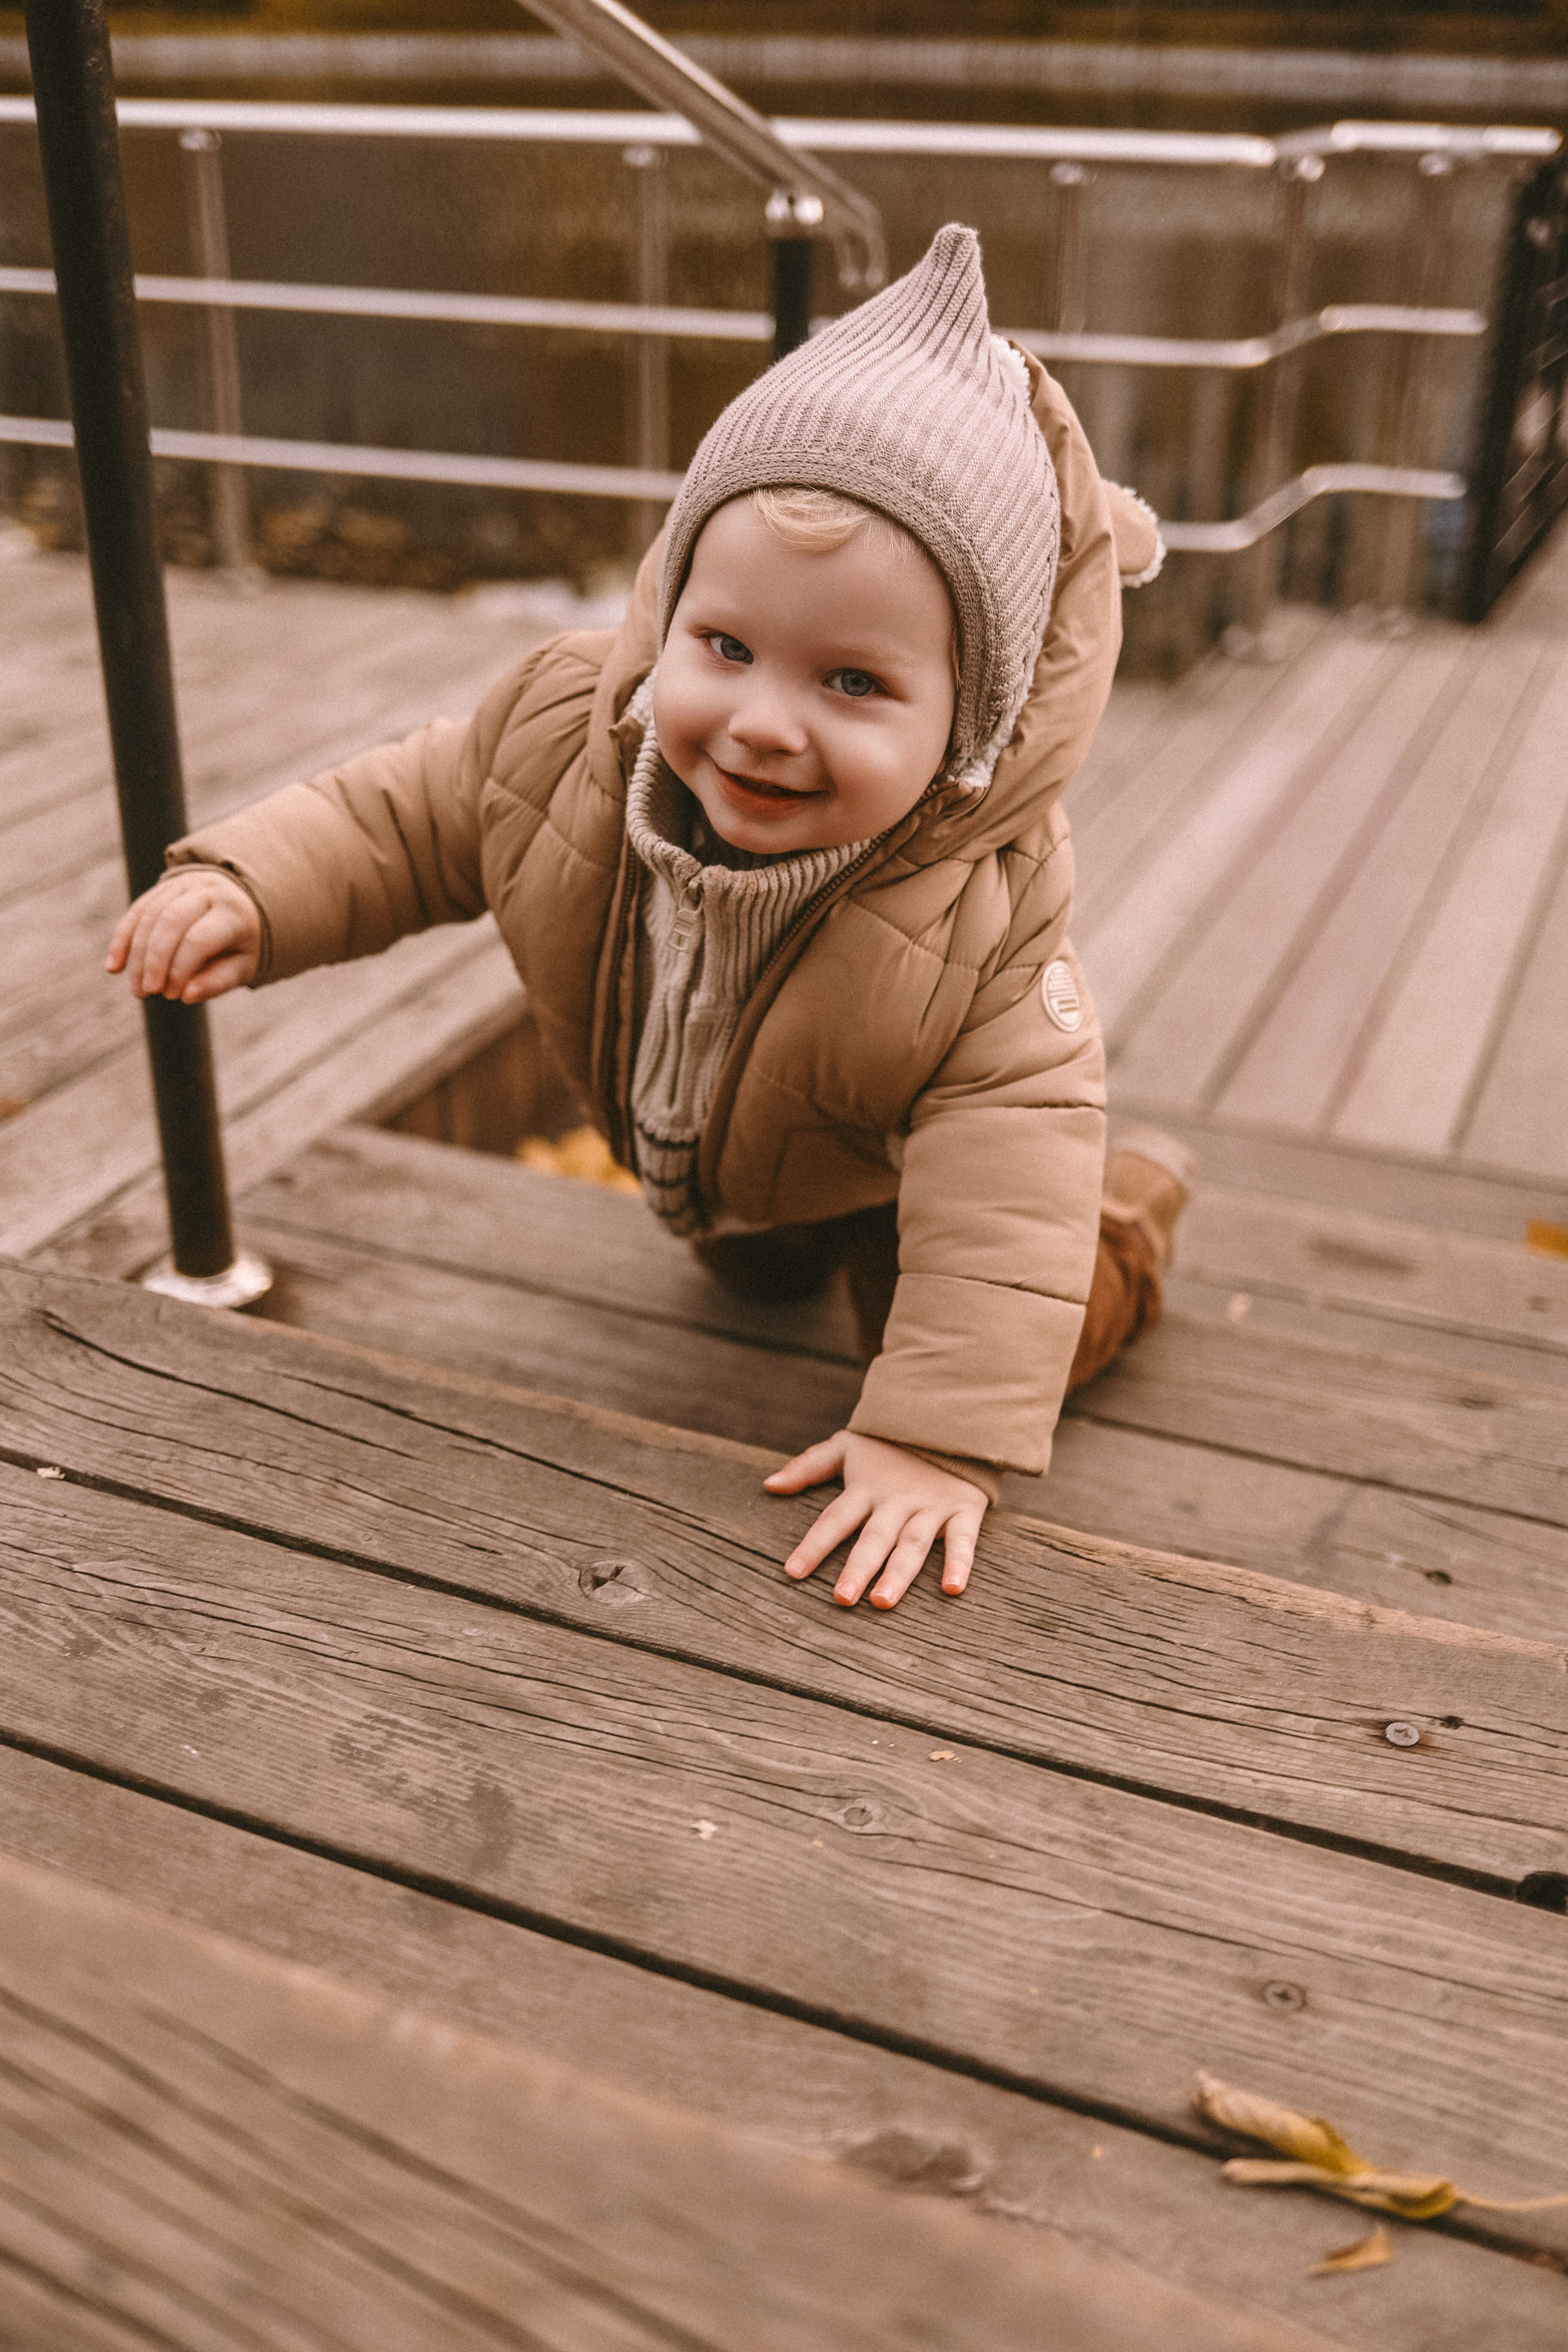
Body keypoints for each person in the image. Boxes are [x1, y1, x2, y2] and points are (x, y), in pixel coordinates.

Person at [106, 224, 1192, 1613]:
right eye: (726, 647)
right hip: (729, 1150)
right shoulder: (564, 736)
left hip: (888, 1181)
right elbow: (411, 814)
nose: (763, 723)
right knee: (749, 1279)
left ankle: (1132, 1228)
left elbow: (1007, 1165)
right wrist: (254, 886)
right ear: (668, 609)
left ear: (969, 726)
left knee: (950, 1323)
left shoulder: (982, 920)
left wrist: (936, 1440)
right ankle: (760, 1232)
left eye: (854, 684)